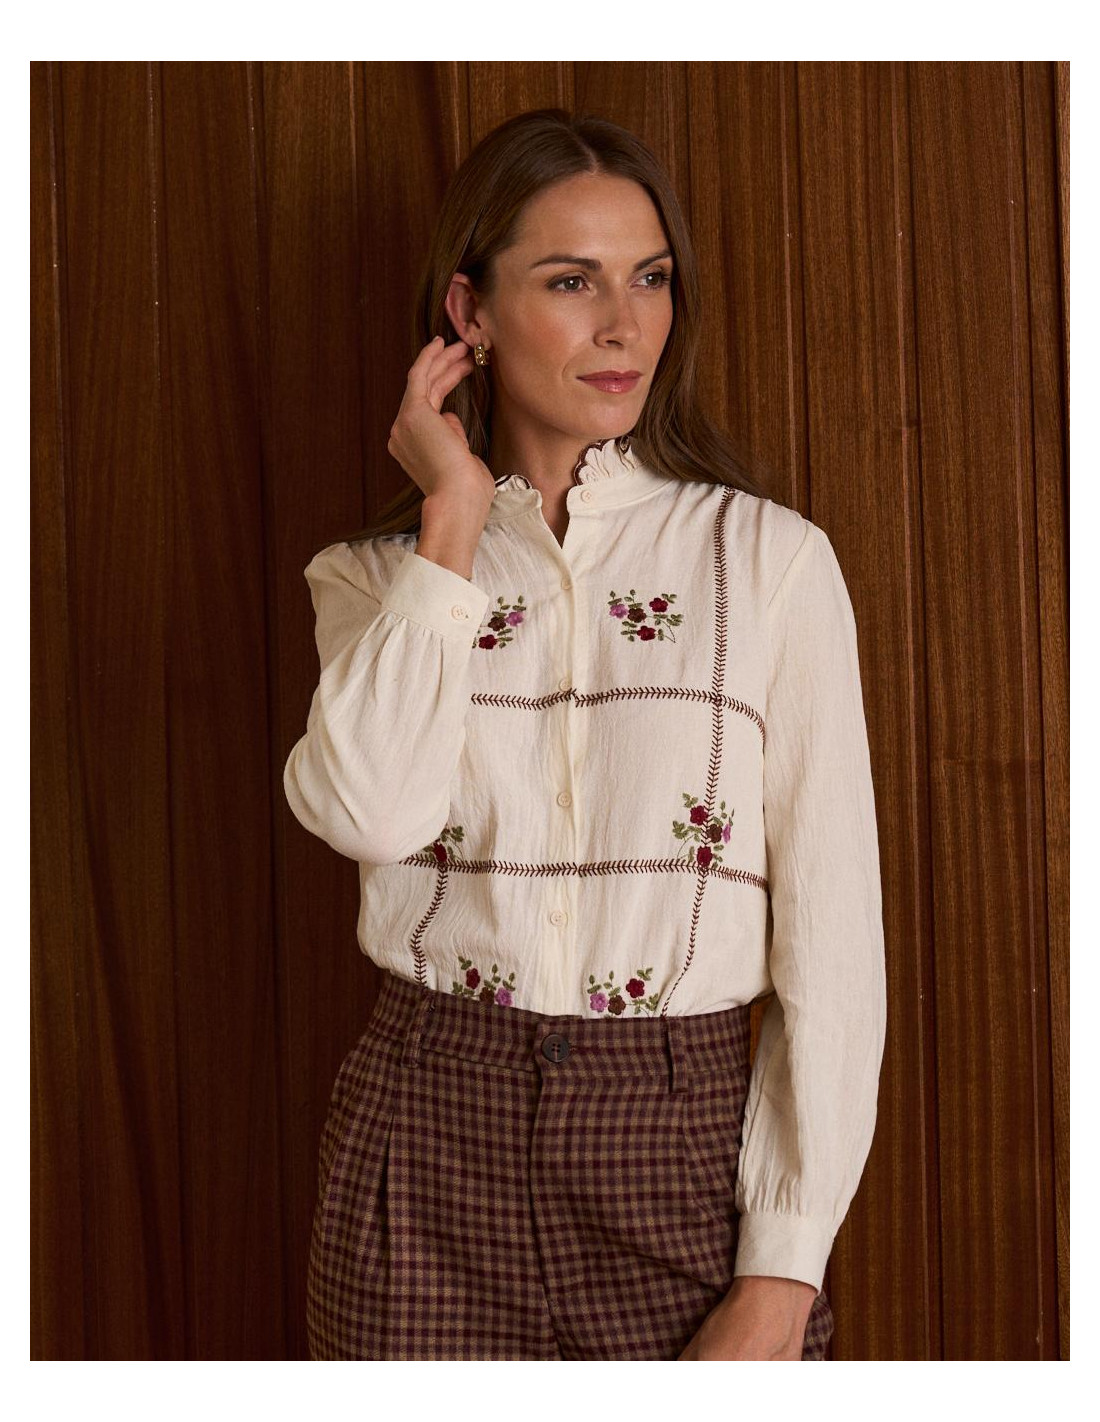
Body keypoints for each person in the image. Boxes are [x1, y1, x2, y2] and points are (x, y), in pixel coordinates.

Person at [283, 107, 886, 1362]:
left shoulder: (766, 562)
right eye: (571, 281)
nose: (624, 325)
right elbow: (372, 817)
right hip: (426, 1140)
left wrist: (782, 1269)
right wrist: (450, 520)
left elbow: (831, 943)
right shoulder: (373, 581)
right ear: (469, 312)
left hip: (680, 1152)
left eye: (648, 278)